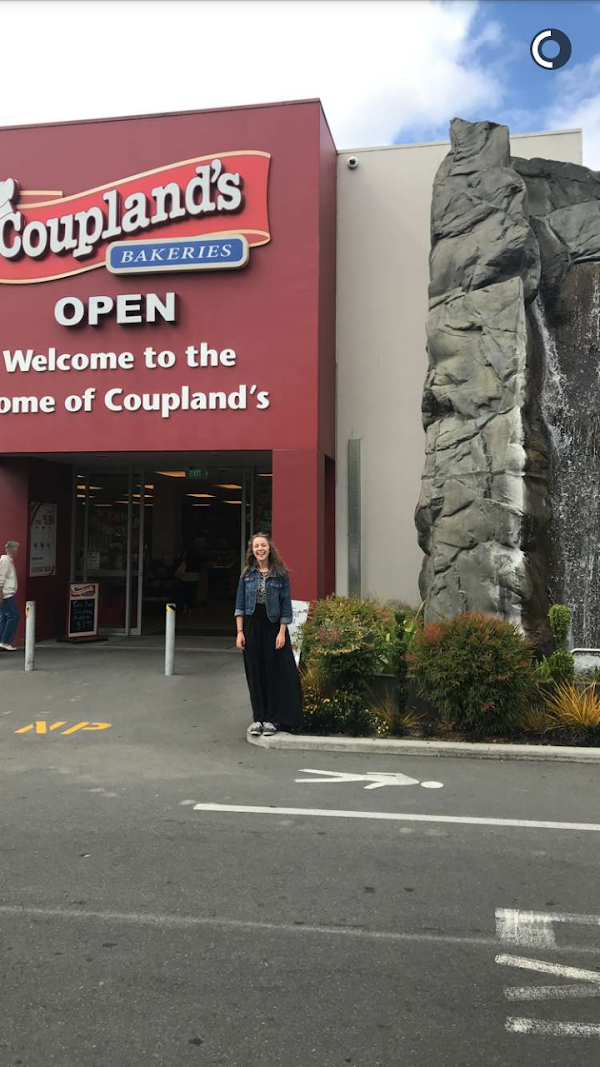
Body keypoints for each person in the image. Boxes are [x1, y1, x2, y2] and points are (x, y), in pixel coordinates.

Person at [234, 532, 303, 737]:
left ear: (269, 548)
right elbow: (239, 605)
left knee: (274, 672)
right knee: (255, 672)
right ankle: (258, 719)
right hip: (251, 626)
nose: (260, 549)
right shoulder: (247, 575)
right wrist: (240, 632)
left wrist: (282, 632)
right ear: (252, 551)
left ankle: (271, 719)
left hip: (273, 626)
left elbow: (285, 605)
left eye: (263, 545)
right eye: (256, 546)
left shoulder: (280, 574)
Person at [0, 540, 20, 651]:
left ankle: (2, 641)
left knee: (4, 617)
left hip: (5, 593)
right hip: (6, 594)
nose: (17, 551)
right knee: (14, 615)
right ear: (12, 549)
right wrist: (1, 593)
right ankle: (5, 641)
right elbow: (1, 577)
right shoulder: (5, 560)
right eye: (17, 548)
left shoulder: (8, 561)